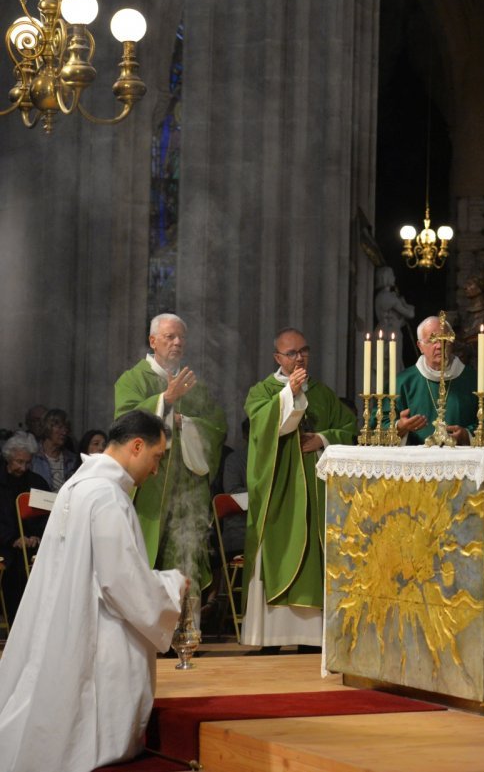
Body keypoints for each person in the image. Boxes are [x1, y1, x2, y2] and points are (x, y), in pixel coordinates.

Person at [0, 411, 188, 772]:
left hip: (66, 618)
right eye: (157, 456)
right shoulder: (107, 497)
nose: (156, 469)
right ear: (136, 446)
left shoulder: (77, 486)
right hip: (95, 627)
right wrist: (172, 585)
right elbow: (121, 582)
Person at [242, 328, 357, 650]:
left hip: (317, 494)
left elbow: (349, 429)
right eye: (292, 353)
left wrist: (322, 439)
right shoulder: (262, 392)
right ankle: (269, 637)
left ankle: (310, 638)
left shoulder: (323, 393)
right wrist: (288, 395)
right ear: (278, 358)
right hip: (278, 492)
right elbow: (262, 430)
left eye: (304, 351)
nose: (300, 357)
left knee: (314, 553)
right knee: (277, 552)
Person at [114, 313, 226, 587]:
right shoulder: (132, 380)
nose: (177, 343)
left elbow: (218, 427)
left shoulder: (193, 386)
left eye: (181, 338)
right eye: (169, 337)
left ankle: (186, 625)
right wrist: (164, 401)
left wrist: (185, 423)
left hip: (187, 488)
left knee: (184, 558)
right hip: (148, 488)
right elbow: (123, 423)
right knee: (145, 560)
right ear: (153, 341)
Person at [393, 315, 477, 445]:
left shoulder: (473, 380)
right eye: (433, 340)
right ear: (420, 346)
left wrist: (468, 435)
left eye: (444, 340)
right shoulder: (403, 382)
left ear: (452, 342)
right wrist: (399, 427)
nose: (439, 346)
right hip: (416, 460)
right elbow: (379, 421)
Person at [0, 432, 50, 619]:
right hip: (5, 547)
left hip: (33, 547)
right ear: (8, 458)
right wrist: (13, 539)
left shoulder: (37, 482)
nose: (23, 467)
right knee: (15, 571)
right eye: (19, 462)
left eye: (27, 463)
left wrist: (37, 536)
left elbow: (48, 517)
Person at [30, 408, 80, 491]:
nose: (64, 432)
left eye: (66, 428)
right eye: (59, 427)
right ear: (47, 427)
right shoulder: (33, 456)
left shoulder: (72, 460)